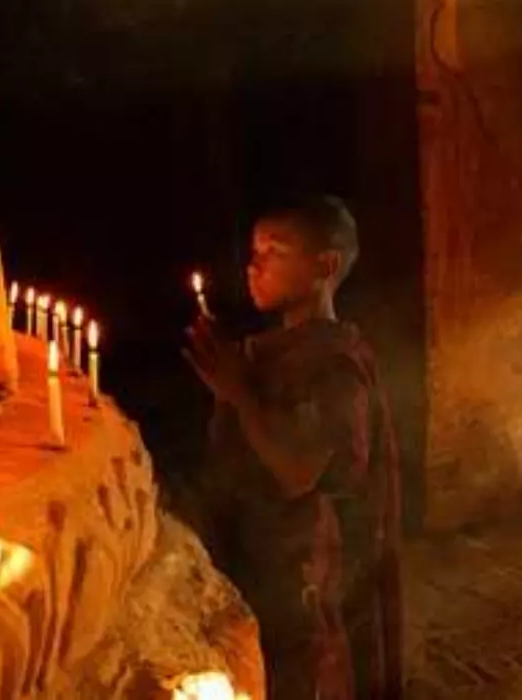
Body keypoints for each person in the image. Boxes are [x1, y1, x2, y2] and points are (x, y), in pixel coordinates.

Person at [185, 194, 403, 699]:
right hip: (264, 558)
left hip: (308, 572)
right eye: (254, 251)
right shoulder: (274, 352)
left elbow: (300, 470)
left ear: (325, 266)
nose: (253, 266)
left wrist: (239, 392)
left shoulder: (335, 366)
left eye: (275, 252)